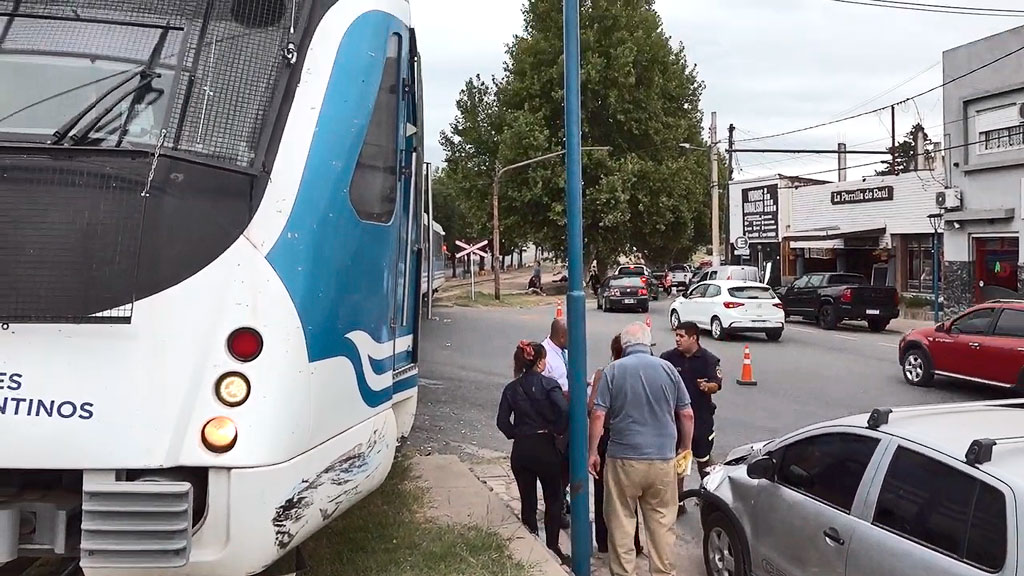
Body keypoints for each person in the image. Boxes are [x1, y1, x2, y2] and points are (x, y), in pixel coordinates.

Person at [588, 322, 694, 576]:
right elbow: (687, 414)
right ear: (648, 344)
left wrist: (592, 453)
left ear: (624, 346)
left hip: (623, 459)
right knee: (661, 525)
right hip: (662, 459)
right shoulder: (668, 369)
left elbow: (598, 415)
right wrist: (685, 447)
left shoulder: (613, 370)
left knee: (622, 524)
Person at [496, 341, 571, 565]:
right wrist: (557, 430)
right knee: (553, 498)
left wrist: (516, 434)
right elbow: (564, 410)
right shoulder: (550, 385)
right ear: (539, 362)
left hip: (522, 449)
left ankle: (531, 543)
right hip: (545, 446)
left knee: (527, 500)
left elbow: (502, 421)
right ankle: (553, 546)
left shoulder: (511, 389)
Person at [659, 321, 722, 515]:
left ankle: (709, 500)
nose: (677, 339)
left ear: (693, 338)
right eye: (676, 336)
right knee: (679, 462)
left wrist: (707, 387)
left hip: (701, 420)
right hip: (676, 421)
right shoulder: (668, 358)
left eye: (681, 336)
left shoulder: (708, 360)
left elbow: (717, 384)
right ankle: (678, 502)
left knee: (704, 462)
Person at [587, 334, 643, 556]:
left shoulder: (605, 373)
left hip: (606, 437)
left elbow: (592, 407)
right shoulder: (640, 374)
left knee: (603, 492)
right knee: (631, 494)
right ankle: (633, 542)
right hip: (631, 436)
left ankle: (603, 540)